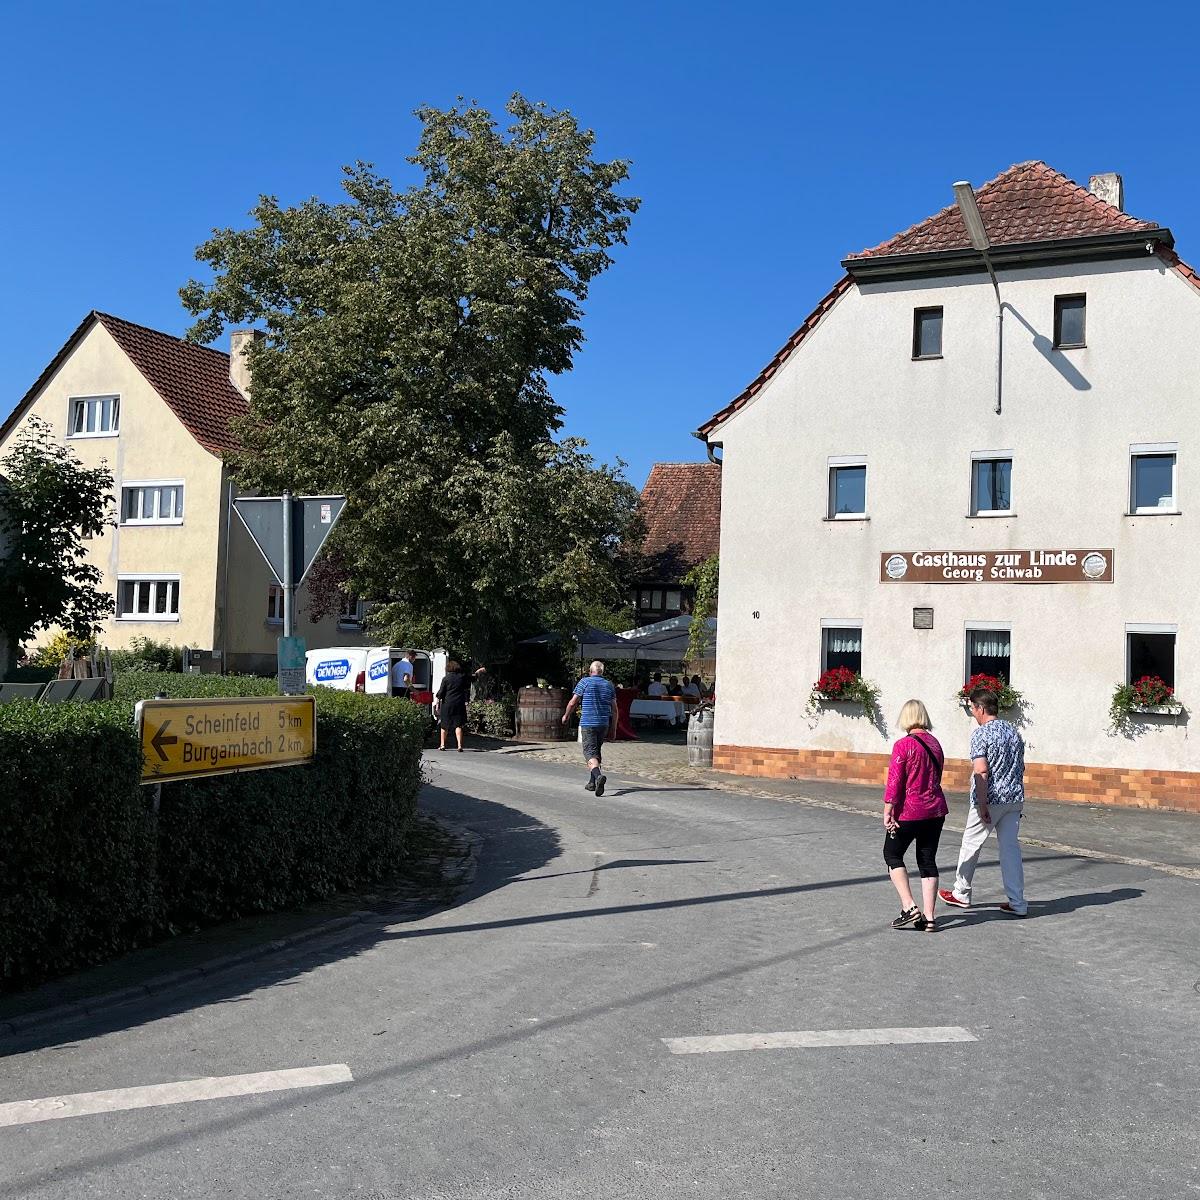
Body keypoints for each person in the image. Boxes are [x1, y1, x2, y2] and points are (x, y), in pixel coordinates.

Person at [939, 686, 1028, 916]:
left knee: (971, 843)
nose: (972, 713)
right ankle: (1017, 901)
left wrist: (982, 803)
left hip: (991, 798)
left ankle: (961, 892)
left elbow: (981, 770)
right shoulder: (1013, 732)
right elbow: (1020, 766)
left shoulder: (981, 734)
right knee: (1010, 850)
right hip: (1014, 797)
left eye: (972, 708)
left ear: (980, 708)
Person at [882, 699, 949, 932]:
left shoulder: (903, 745)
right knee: (927, 859)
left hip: (909, 811)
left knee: (892, 854)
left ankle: (909, 906)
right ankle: (930, 918)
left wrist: (888, 809)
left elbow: (895, 781)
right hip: (935, 810)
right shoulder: (936, 744)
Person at [561, 660, 617, 796]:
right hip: (603, 724)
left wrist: (566, 715)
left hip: (588, 723)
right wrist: (614, 729)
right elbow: (615, 709)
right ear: (602, 672)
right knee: (596, 751)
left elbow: (573, 701)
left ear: (590, 671)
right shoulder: (609, 685)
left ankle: (598, 776)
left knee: (589, 753)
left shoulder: (584, 682)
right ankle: (592, 783)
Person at [434, 660, 470, 752]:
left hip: (447, 704)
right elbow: (468, 685)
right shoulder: (461, 678)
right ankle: (459, 745)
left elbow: (441, 692)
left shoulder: (446, 678)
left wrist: (438, 698)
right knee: (458, 725)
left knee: (444, 725)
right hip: (459, 704)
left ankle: (442, 745)